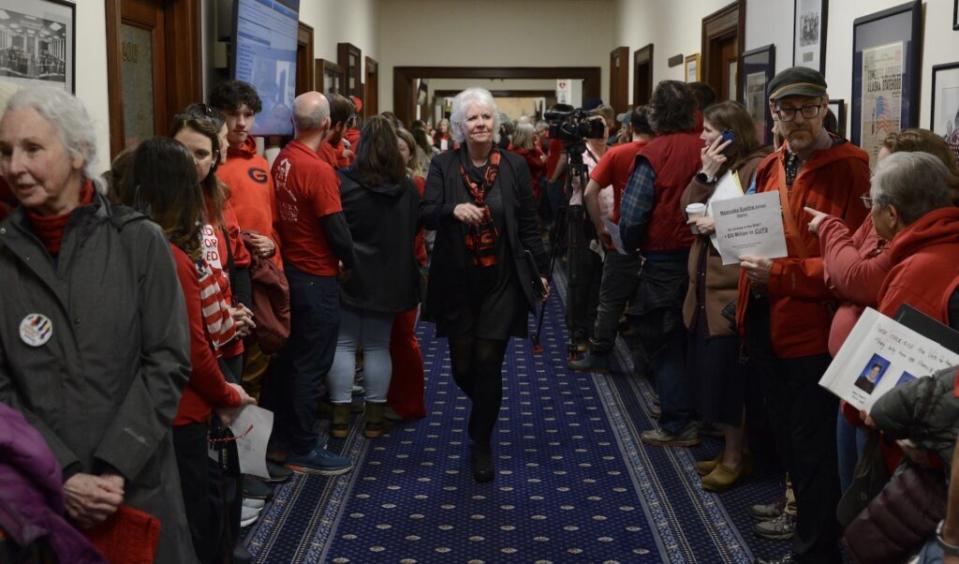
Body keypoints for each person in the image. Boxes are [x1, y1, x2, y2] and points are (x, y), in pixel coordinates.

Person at [0, 86, 196, 562]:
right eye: (5, 152)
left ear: (78, 153)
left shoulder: (138, 242)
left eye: (32, 149)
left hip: (134, 484)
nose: (14, 167)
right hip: (41, 493)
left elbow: (167, 361)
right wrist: (63, 472)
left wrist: (113, 469)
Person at [738, 67, 871, 564]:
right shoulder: (772, 164)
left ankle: (813, 554)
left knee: (814, 453)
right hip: (766, 319)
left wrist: (784, 275)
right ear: (771, 113)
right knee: (790, 442)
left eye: (808, 108)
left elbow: (856, 262)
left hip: (815, 330)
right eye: (786, 109)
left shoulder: (850, 166)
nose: (798, 119)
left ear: (825, 108)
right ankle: (807, 536)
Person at [118, 137, 256, 563]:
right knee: (199, 518)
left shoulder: (129, 241)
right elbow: (191, 349)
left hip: (156, 405)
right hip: (184, 409)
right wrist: (228, 393)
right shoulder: (169, 255)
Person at [805, 128, 959, 494]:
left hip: (891, 428)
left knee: (869, 520)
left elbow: (854, 279)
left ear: (891, 213)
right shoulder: (934, 239)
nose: (867, 211)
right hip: (908, 422)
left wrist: (861, 408)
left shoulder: (916, 267)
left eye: (870, 202)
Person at [421, 87, 549, 483]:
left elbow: (528, 221)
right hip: (457, 280)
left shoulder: (513, 166)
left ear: (496, 123)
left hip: (502, 279)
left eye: (486, 117)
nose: (480, 124)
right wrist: (451, 209)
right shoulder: (444, 164)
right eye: (472, 118)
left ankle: (481, 442)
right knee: (463, 368)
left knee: (489, 363)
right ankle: (487, 405)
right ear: (459, 126)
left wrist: (541, 270)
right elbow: (425, 214)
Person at [680, 101, 769, 490]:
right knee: (715, 378)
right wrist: (705, 172)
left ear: (731, 135)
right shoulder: (722, 169)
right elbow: (684, 207)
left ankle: (737, 457)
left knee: (731, 381)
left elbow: (763, 222)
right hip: (704, 288)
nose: (701, 137)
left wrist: (718, 223)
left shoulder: (757, 167)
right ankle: (731, 451)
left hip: (731, 291)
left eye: (710, 132)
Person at [270, 91, 355, 475]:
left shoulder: (284, 158)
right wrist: (353, 262)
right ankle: (303, 447)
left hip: (292, 270)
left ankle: (285, 439)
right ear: (326, 124)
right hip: (317, 277)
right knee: (310, 365)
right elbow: (335, 227)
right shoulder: (317, 169)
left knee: (292, 362)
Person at [618, 81, 703, 447]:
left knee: (664, 339)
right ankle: (696, 411)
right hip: (707, 257)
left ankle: (677, 422)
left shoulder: (653, 153)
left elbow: (633, 215)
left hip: (664, 258)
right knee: (699, 339)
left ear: (655, 113)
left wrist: (630, 244)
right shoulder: (710, 148)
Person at [327, 116, 421, 438]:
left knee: (344, 344)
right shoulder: (408, 188)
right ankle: (375, 421)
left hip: (350, 272)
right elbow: (414, 229)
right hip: (391, 276)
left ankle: (339, 421)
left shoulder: (342, 182)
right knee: (379, 345)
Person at [170, 110, 255, 384]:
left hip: (228, 336)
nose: (189, 161)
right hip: (189, 344)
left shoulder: (217, 197)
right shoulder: (159, 207)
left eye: (201, 153)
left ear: (215, 158)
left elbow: (237, 261)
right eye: (182, 151)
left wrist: (240, 313)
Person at [570, 105, 655, 372]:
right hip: (658, 238)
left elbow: (588, 193)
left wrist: (599, 227)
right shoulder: (663, 152)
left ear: (630, 128)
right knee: (650, 301)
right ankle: (646, 359)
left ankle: (600, 354)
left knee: (610, 300)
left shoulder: (617, 153)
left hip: (622, 234)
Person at [386, 127, 429, 421]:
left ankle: (410, 403)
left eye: (401, 149)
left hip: (409, 266)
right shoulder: (383, 183)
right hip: (386, 269)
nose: (396, 154)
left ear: (410, 153)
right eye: (392, 148)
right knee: (386, 340)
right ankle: (390, 397)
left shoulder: (415, 183)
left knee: (403, 337)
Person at [563, 110, 609, 355]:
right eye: (594, 128)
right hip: (581, 222)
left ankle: (594, 326)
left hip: (608, 221)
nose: (599, 134)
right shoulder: (579, 158)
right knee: (580, 276)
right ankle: (578, 330)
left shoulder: (612, 154)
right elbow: (575, 188)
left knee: (601, 278)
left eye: (602, 128)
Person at [508, 122, 547, 200]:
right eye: (533, 134)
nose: (535, 136)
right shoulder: (522, 153)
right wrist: (543, 159)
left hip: (528, 188)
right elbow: (540, 163)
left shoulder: (520, 148)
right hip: (528, 190)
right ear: (527, 136)